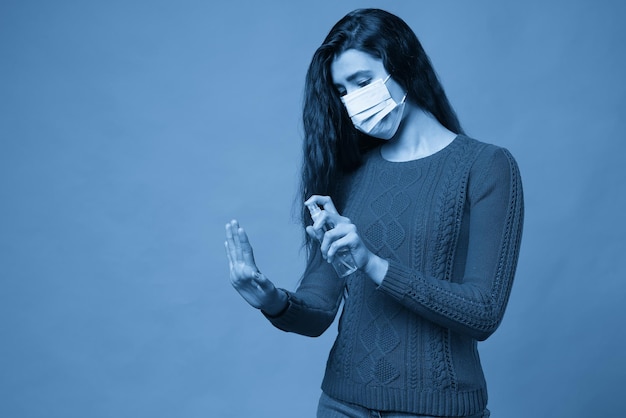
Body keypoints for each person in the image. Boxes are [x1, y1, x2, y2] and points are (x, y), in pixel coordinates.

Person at [225, 8, 523, 418]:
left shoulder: (486, 167)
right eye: (342, 91)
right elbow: (319, 311)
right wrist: (273, 300)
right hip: (341, 404)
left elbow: (483, 312)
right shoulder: (349, 177)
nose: (352, 101)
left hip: (438, 408)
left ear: (404, 66)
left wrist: (373, 264)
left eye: (362, 82)